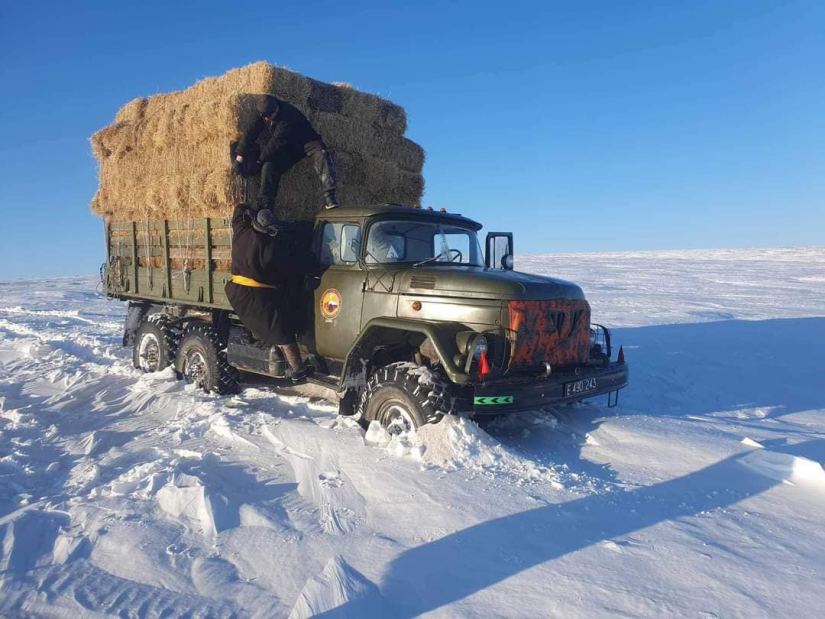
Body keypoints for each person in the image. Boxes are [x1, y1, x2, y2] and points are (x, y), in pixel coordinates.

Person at [224, 205, 314, 381]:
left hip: (236, 290)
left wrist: (251, 209)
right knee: (281, 330)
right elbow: (283, 271)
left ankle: (290, 362)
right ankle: (298, 369)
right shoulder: (269, 248)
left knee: (277, 321)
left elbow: (238, 210)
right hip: (254, 296)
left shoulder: (241, 232)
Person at [233, 94, 339, 211]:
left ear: (276, 108)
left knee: (322, 154)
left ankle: (329, 196)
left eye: (272, 115)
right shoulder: (262, 112)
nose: (270, 118)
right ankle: (265, 206)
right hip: (288, 147)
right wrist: (239, 158)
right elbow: (250, 133)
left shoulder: (288, 114)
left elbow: (275, 143)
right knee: (269, 167)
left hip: (306, 141)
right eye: (267, 116)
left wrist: (259, 161)